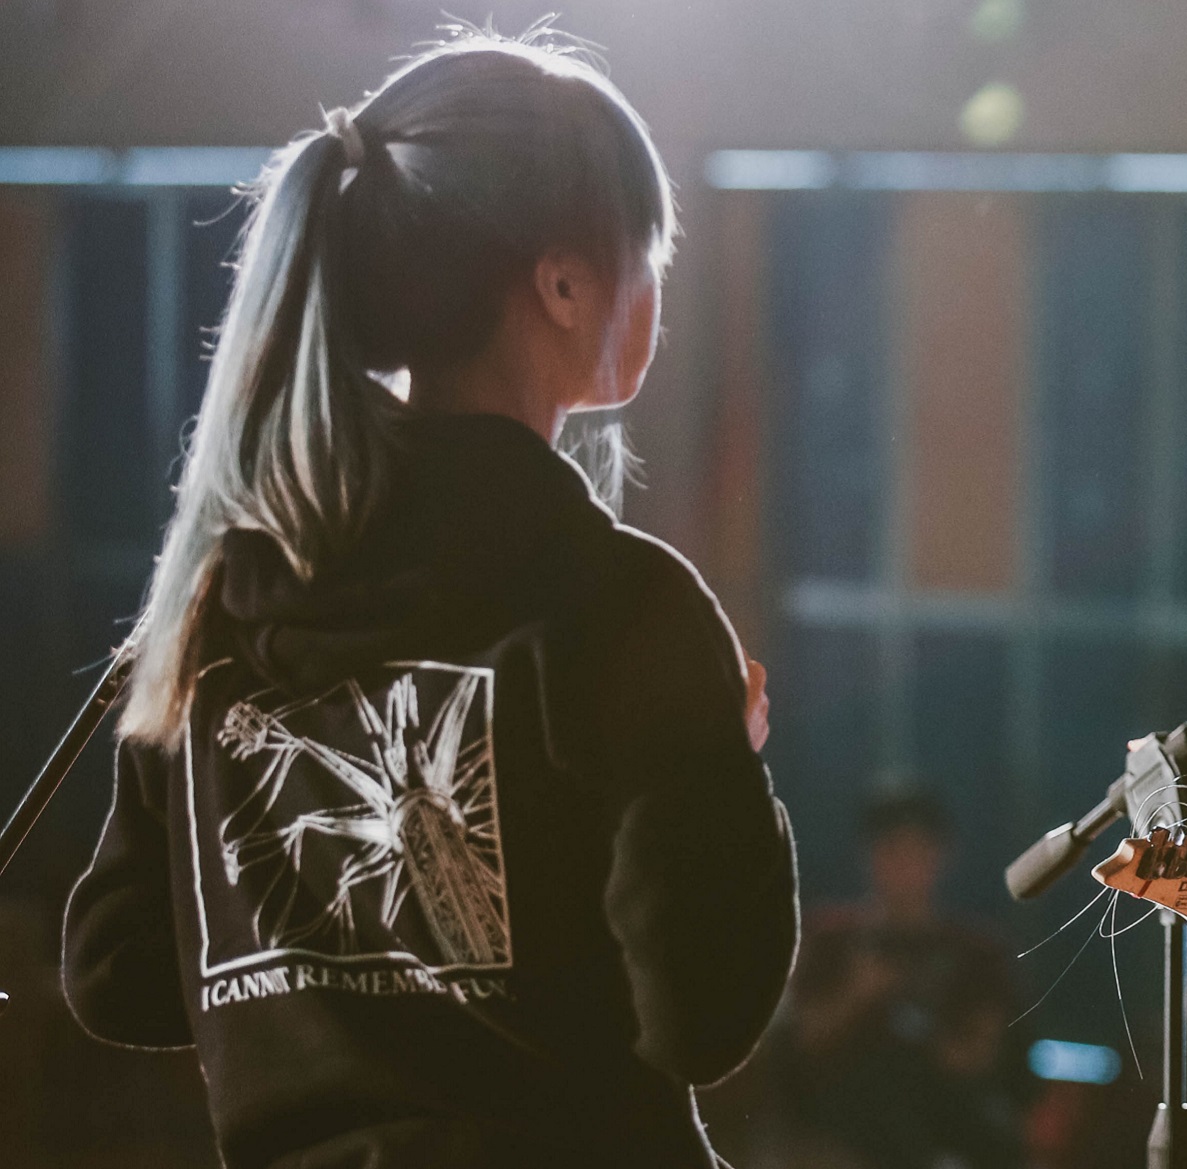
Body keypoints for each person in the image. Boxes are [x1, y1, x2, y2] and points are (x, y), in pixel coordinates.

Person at [56, 29, 799, 1168]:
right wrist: (724, 772)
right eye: (644, 253)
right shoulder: (620, 603)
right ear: (559, 281)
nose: (655, 288)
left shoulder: (219, 608)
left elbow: (121, 973)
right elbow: (702, 1017)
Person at [776, 794, 1029, 1169]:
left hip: (943, 1129)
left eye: (918, 853)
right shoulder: (831, 941)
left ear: (941, 857)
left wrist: (934, 1029)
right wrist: (859, 994)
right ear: (869, 856)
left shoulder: (976, 953)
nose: (905, 867)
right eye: (893, 851)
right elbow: (798, 1043)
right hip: (842, 1130)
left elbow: (980, 1057)